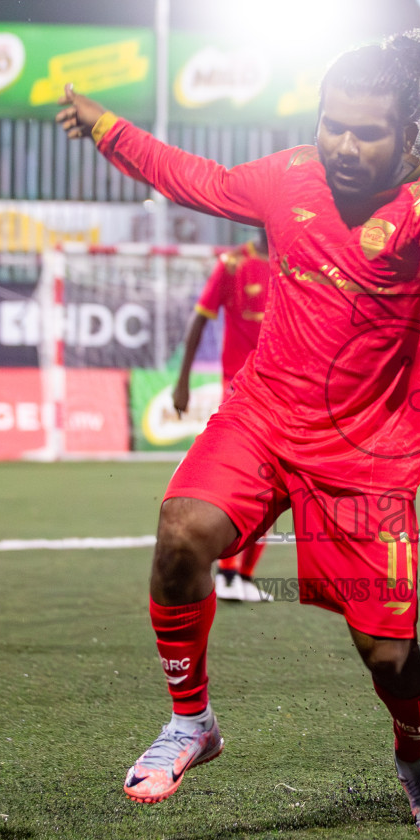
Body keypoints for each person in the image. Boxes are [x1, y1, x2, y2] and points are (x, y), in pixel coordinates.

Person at [55, 32, 420, 838]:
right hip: (264, 418)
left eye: (367, 132)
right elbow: (199, 179)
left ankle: (415, 754)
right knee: (183, 529)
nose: (343, 144)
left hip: (368, 459)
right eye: (333, 123)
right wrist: (109, 130)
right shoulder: (291, 175)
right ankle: (192, 721)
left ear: (408, 138)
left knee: (388, 655)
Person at [172, 229, 273, 603]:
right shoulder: (232, 264)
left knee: (273, 482)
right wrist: (182, 381)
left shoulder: (296, 261)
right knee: (247, 476)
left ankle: (239, 576)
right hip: (240, 387)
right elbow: (200, 320)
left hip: (286, 385)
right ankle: (230, 572)